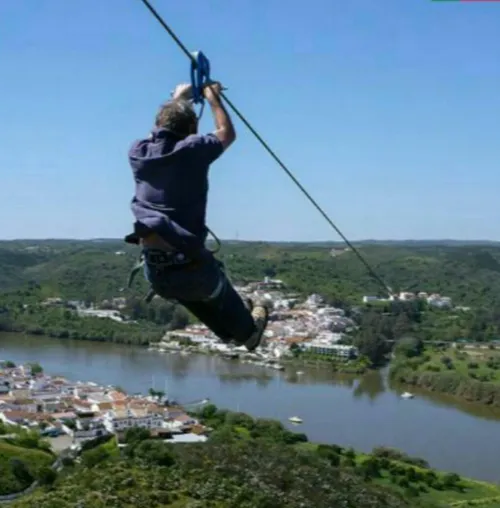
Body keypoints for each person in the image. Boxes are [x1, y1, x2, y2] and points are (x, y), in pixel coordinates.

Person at [127, 81, 269, 351]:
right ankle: (247, 332)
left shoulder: (138, 153)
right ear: (192, 130)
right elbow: (226, 133)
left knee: (191, 294)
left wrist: (178, 100)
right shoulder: (193, 150)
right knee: (216, 292)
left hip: (156, 274)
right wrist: (213, 99)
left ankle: (227, 334)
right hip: (191, 269)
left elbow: (158, 132)